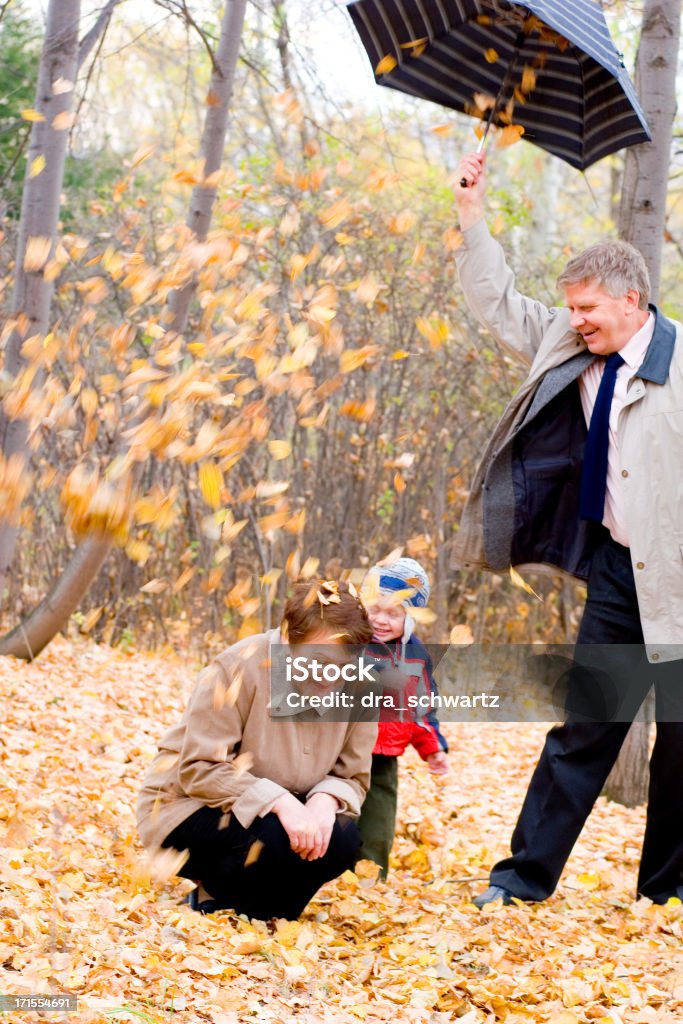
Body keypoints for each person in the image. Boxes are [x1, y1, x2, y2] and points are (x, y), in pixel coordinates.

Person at [453, 151, 683, 908]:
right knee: (586, 727)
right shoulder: (567, 342)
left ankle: (665, 894)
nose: (576, 320)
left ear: (631, 298)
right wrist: (471, 215)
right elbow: (495, 301)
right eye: (571, 308)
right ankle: (520, 883)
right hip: (619, 574)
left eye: (589, 308)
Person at [137, 580, 377, 920]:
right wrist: (280, 803)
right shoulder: (237, 666)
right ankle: (217, 896)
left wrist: (324, 803)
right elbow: (199, 769)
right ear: (287, 641)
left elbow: (352, 777)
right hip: (188, 807)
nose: (331, 676)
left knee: (342, 841)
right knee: (274, 837)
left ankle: (269, 913)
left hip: (285, 814)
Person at [358, 557, 449, 878]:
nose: (381, 620)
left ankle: (370, 876)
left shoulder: (415, 657)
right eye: (375, 610)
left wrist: (432, 748)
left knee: (378, 819)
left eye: (393, 614)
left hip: (384, 753)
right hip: (340, 747)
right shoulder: (350, 645)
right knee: (333, 809)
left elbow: (422, 708)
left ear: (409, 619)